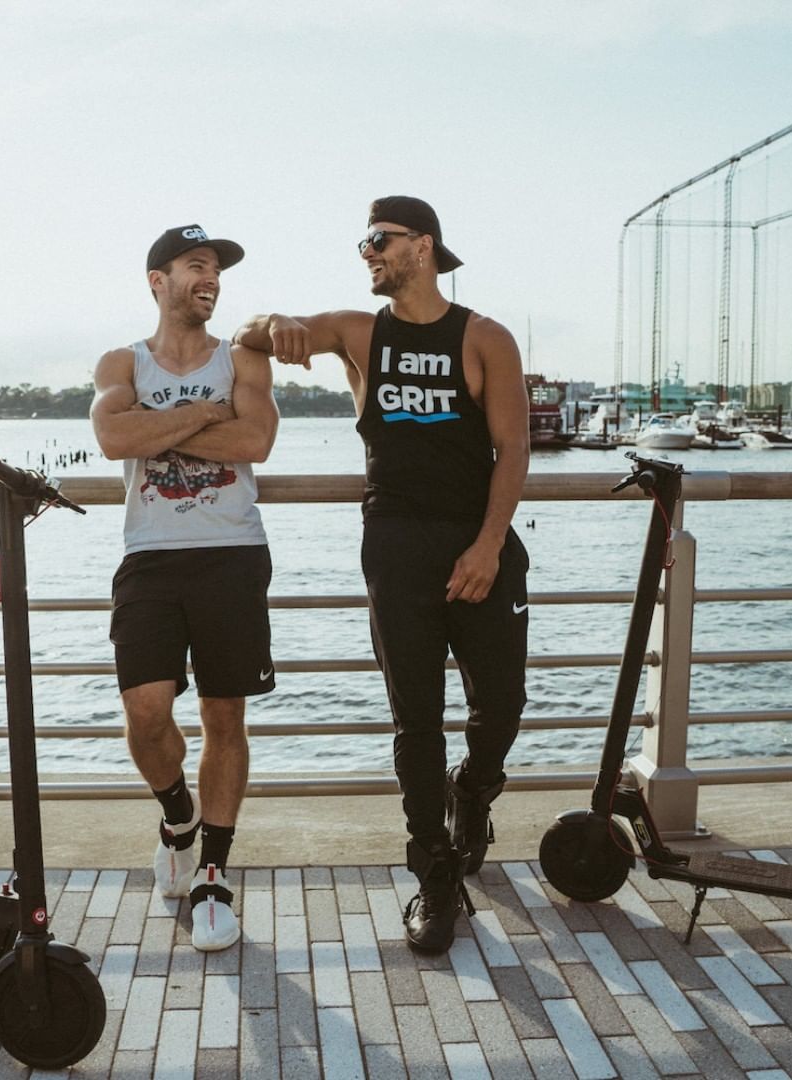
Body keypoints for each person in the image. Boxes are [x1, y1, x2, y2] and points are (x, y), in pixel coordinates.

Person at [234, 196, 530, 954]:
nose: (367, 252)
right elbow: (249, 331)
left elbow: (514, 449)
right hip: (397, 548)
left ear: (422, 247)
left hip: (480, 545)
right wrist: (276, 322)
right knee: (416, 718)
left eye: (378, 239)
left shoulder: (485, 338)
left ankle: (475, 790)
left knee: (501, 705)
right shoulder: (360, 333)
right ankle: (435, 870)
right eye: (362, 242)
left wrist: (489, 546)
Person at [91, 224, 279, 952]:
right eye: (196, 265)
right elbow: (113, 438)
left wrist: (157, 426)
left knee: (224, 715)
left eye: (217, 270)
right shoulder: (123, 362)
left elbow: (255, 442)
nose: (211, 279)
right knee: (145, 711)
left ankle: (212, 876)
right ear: (157, 280)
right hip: (151, 556)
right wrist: (204, 413)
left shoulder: (243, 359)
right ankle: (178, 816)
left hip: (233, 552)